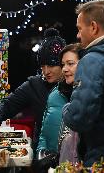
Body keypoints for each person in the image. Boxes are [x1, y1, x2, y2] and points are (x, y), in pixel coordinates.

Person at [0, 28, 66, 153]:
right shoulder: (34, 85)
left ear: (63, 64)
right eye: (42, 66)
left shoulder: (76, 84)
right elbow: (6, 105)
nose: (46, 71)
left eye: (51, 65)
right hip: (43, 153)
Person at [62, 0, 104, 166]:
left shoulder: (92, 61)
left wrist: (66, 109)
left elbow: (79, 118)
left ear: (93, 27)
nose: (78, 35)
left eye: (80, 29)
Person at [36, 43, 83, 171]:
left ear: (85, 64)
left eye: (70, 63)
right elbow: (44, 132)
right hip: (54, 166)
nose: (65, 69)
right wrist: (41, 153)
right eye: (63, 64)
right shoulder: (55, 94)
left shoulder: (90, 96)